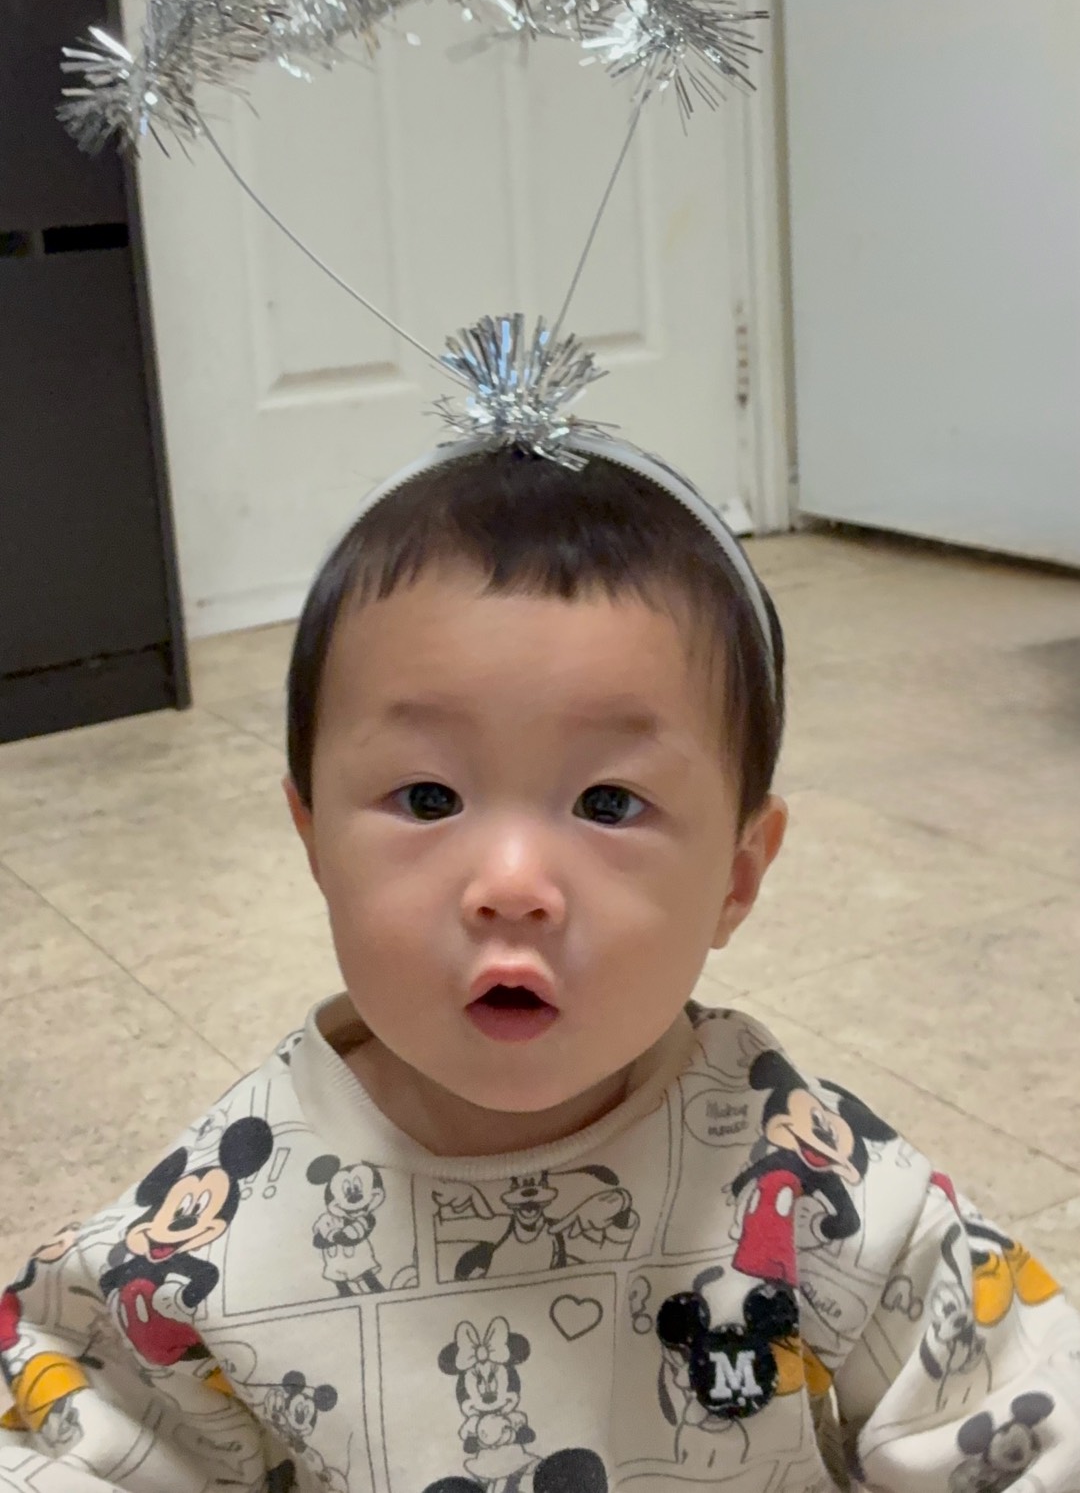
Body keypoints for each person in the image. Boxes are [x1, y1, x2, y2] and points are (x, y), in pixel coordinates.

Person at [1, 440, 1078, 1493]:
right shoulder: (227, 1209)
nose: (512, 883)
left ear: (737, 876)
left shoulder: (796, 1172)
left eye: (608, 802)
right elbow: (63, 1418)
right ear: (314, 837)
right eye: (429, 797)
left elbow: (1032, 1397)